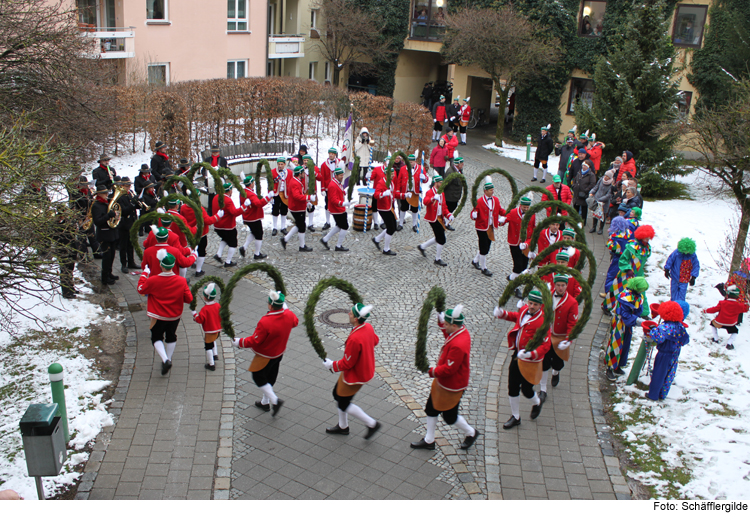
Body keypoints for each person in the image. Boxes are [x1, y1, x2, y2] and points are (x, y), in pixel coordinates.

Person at [410, 305, 480, 451]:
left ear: (454, 325)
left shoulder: (458, 345)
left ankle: (471, 433)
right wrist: (442, 323)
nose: (444, 326)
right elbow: (449, 335)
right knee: (431, 408)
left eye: (446, 324)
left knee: (450, 417)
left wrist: (431, 371)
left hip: (452, 386)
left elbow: (449, 369)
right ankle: (429, 440)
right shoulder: (459, 331)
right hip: (443, 383)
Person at [232, 291, 299, 416]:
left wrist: (239, 342)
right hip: (279, 352)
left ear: (271, 306)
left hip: (265, 355)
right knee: (270, 376)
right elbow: (295, 322)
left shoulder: (265, 321)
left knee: (258, 376)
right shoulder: (289, 315)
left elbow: (255, 340)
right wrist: (287, 310)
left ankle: (274, 401)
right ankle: (265, 402)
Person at [322, 303, 381, 439]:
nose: (348, 313)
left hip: (355, 375)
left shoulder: (355, 338)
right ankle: (343, 426)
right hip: (363, 370)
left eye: (351, 313)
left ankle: (371, 424)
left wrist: (332, 365)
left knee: (342, 402)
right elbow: (375, 341)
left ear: (355, 319)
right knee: (338, 395)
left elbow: (347, 363)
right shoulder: (368, 327)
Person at [494, 289, 551, 429]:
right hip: (517, 355)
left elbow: (546, 345)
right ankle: (516, 416)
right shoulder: (525, 310)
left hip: (531, 361)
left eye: (535, 304)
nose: (531, 306)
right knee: (512, 386)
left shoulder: (543, 321)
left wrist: (531, 354)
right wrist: (503, 314)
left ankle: (537, 402)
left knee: (526, 389)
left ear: (540, 306)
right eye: (530, 303)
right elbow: (517, 317)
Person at [137, 250, 193, 375]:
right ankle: (169, 358)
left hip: (158, 315)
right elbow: (189, 299)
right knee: (171, 335)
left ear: (162, 266)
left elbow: (140, 289)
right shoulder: (182, 281)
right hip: (175, 315)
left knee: (156, 337)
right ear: (173, 266)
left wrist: (144, 273)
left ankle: (165, 359)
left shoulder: (153, 280)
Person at [538, 275, 578, 400]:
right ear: (554, 285)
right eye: (558, 285)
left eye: (563, 285)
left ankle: (556, 372)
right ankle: (543, 389)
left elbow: (572, 323)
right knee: (544, 362)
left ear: (566, 286)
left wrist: (568, 339)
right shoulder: (546, 296)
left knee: (557, 363)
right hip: (546, 336)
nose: (560, 288)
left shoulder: (572, 302)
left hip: (560, 338)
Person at [604, 277, 650, 381]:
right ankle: (610, 368)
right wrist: (638, 321)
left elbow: (638, 309)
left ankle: (618, 366)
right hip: (619, 324)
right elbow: (625, 314)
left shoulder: (637, 296)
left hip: (628, 325)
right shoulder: (625, 297)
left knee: (625, 345)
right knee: (615, 345)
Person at [603, 225, 654, 314]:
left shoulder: (647, 248)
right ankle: (607, 307)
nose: (647, 239)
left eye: (649, 238)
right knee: (617, 291)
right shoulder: (632, 246)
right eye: (646, 237)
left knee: (641, 293)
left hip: (638, 275)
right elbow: (623, 260)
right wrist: (628, 269)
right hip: (626, 274)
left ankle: (642, 312)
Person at [646, 301, 690, 400]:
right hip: (675, 354)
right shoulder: (680, 326)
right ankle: (663, 394)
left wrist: (653, 330)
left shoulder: (664, 327)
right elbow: (685, 340)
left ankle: (653, 395)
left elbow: (659, 339)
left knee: (658, 374)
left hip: (663, 354)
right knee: (669, 374)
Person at [180, 188, 222, 277]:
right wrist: (218, 216)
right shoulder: (200, 209)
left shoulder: (183, 207)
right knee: (201, 251)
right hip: (201, 233)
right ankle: (198, 270)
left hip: (189, 232)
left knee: (192, 248)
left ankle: (192, 261)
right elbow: (208, 221)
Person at [371, 163, 408, 256]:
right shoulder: (381, 182)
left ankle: (377, 239)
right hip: (383, 208)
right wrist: (383, 194)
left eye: (393, 174)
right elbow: (376, 195)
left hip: (389, 207)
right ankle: (386, 249)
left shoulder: (391, 183)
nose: (393, 176)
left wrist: (404, 195)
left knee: (392, 226)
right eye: (391, 174)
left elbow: (394, 193)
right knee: (391, 228)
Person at [417, 174, 454, 267]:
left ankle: (422, 246)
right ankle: (437, 259)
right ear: (436, 183)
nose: (442, 184)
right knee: (441, 238)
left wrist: (448, 214)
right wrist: (433, 198)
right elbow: (425, 202)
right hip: (433, 218)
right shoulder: (430, 192)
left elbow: (444, 207)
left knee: (439, 236)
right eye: (441, 182)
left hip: (440, 217)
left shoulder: (442, 193)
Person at [470, 181, 505, 277]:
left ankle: (475, 261)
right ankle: (483, 268)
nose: (492, 192)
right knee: (484, 246)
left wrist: (508, 214)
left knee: (487, 246)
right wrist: (474, 215)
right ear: (485, 191)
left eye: (493, 190)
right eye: (490, 190)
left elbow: (500, 210)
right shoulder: (479, 201)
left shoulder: (496, 200)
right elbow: (473, 214)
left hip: (490, 226)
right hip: (481, 227)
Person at [238, 174, 273, 260]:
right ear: (251, 184)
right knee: (259, 234)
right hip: (253, 217)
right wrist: (268, 197)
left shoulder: (243, 192)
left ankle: (244, 247)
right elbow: (258, 203)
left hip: (247, 216)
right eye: (253, 182)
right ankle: (257, 254)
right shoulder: (250, 194)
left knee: (254, 232)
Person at [281, 165, 315, 252]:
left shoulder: (295, 181)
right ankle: (302, 246)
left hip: (297, 207)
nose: (304, 173)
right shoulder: (295, 183)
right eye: (303, 172)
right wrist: (308, 197)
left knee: (299, 225)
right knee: (302, 226)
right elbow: (297, 196)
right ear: (300, 174)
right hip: (297, 207)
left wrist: (307, 202)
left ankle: (285, 239)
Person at [704, 285, 748, 350]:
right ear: (737, 297)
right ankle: (729, 343)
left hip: (719, 322)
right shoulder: (739, 306)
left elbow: (714, 309)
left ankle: (716, 339)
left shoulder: (722, 303)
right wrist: (746, 301)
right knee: (735, 331)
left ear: (728, 295)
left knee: (712, 324)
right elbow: (746, 308)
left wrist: (706, 310)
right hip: (731, 323)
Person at [91, 184, 119, 285]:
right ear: (99, 194)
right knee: (106, 257)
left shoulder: (107, 203)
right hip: (104, 234)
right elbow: (97, 221)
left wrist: (116, 216)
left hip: (112, 233)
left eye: (106, 193)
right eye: (104, 193)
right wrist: (108, 215)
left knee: (112, 255)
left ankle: (109, 273)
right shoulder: (96, 205)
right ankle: (104, 277)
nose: (106, 195)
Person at [321, 168, 353, 251]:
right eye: (340, 175)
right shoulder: (332, 185)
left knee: (339, 225)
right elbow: (333, 199)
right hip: (337, 209)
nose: (342, 177)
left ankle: (325, 239)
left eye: (342, 175)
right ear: (336, 176)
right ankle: (338, 246)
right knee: (345, 226)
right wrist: (343, 203)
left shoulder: (337, 183)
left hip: (339, 208)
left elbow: (340, 192)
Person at [212, 182, 244, 267]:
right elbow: (234, 212)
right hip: (227, 227)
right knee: (233, 243)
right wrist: (244, 207)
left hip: (217, 226)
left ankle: (218, 255)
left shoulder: (215, 197)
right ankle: (228, 262)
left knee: (225, 238)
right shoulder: (228, 200)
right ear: (229, 191)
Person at [192, 283, 222, 371]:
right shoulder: (218, 306)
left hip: (209, 330)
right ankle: (215, 354)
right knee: (213, 340)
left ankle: (211, 364)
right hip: (217, 329)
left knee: (208, 346)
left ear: (205, 297)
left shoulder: (205, 309)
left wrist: (194, 314)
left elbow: (199, 320)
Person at [504, 196, 535, 280]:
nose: (526, 209)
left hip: (526, 243)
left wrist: (528, 243)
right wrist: (502, 220)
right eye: (524, 207)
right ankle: (515, 286)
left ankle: (511, 278)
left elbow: (533, 228)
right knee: (518, 265)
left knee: (524, 266)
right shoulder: (513, 212)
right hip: (515, 242)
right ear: (520, 205)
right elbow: (506, 219)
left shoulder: (532, 214)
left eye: (527, 207)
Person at [602, 217, 632, 301]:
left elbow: (611, 246)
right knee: (622, 276)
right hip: (627, 259)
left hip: (617, 258)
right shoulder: (629, 233)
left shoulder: (615, 236)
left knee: (611, 275)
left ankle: (608, 293)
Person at [115, 177, 140, 274]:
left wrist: (137, 202)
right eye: (127, 186)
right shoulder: (119, 196)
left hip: (132, 223)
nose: (129, 188)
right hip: (124, 224)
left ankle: (131, 262)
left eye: (129, 186)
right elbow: (124, 211)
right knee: (123, 246)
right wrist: (132, 204)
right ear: (122, 186)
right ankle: (123, 264)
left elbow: (134, 207)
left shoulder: (130, 194)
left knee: (131, 244)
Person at [319, 147, 342, 230]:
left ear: (335, 154)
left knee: (338, 203)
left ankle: (338, 221)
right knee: (328, 204)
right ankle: (327, 222)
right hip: (328, 188)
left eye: (332, 154)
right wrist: (322, 189)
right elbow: (322, 177)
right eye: (330, 153)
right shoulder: (324, 165)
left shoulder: (340, 163)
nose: (331, 155)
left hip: (337, 187)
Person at [570, 160, 597, 226]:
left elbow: (592, 184)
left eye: (585, 166)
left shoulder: (591, 175)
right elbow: (575, 180)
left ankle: (583, 222)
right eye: (583, 165)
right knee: (575, 206)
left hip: (584, 194)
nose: (583, 167)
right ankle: (574, 220)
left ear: (588, 166)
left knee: (584, 208)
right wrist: (574, 186)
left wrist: (586, 190)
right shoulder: (579, 172)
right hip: (577, 193)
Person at [588, 169, 614, 234]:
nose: (605, 177)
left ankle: (601, 228)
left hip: (604, 202)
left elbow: (608, 195)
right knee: (595, 214)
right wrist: (592, 192)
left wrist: (600, 199)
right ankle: (594, 227)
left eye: (607, 176)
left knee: (603, 215)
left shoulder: (611, 184)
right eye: (605, 175)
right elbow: (596, 187)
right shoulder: (601, 180)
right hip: (597, 199)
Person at [270, 157, 290, 235]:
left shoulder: (289, 172)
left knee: (284, 210)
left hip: (285, 193)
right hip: (276, 193)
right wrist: (270, 194)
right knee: (275, 210)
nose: (280, 166)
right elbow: (270, 183)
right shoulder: (272, 172)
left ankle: (283, 227)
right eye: (279, 164)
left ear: (284, 164)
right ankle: (274, 227)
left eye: (282, 164)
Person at [443, 156, 465, 227]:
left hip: (454, 197)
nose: (463, 165)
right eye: (462, 163)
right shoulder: (451, 172)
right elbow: (445, 184)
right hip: (450, 196)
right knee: (448, 210)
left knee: (451, 209)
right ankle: (444, 223)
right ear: (458, 164)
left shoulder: (458, 171)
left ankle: (446, 222)